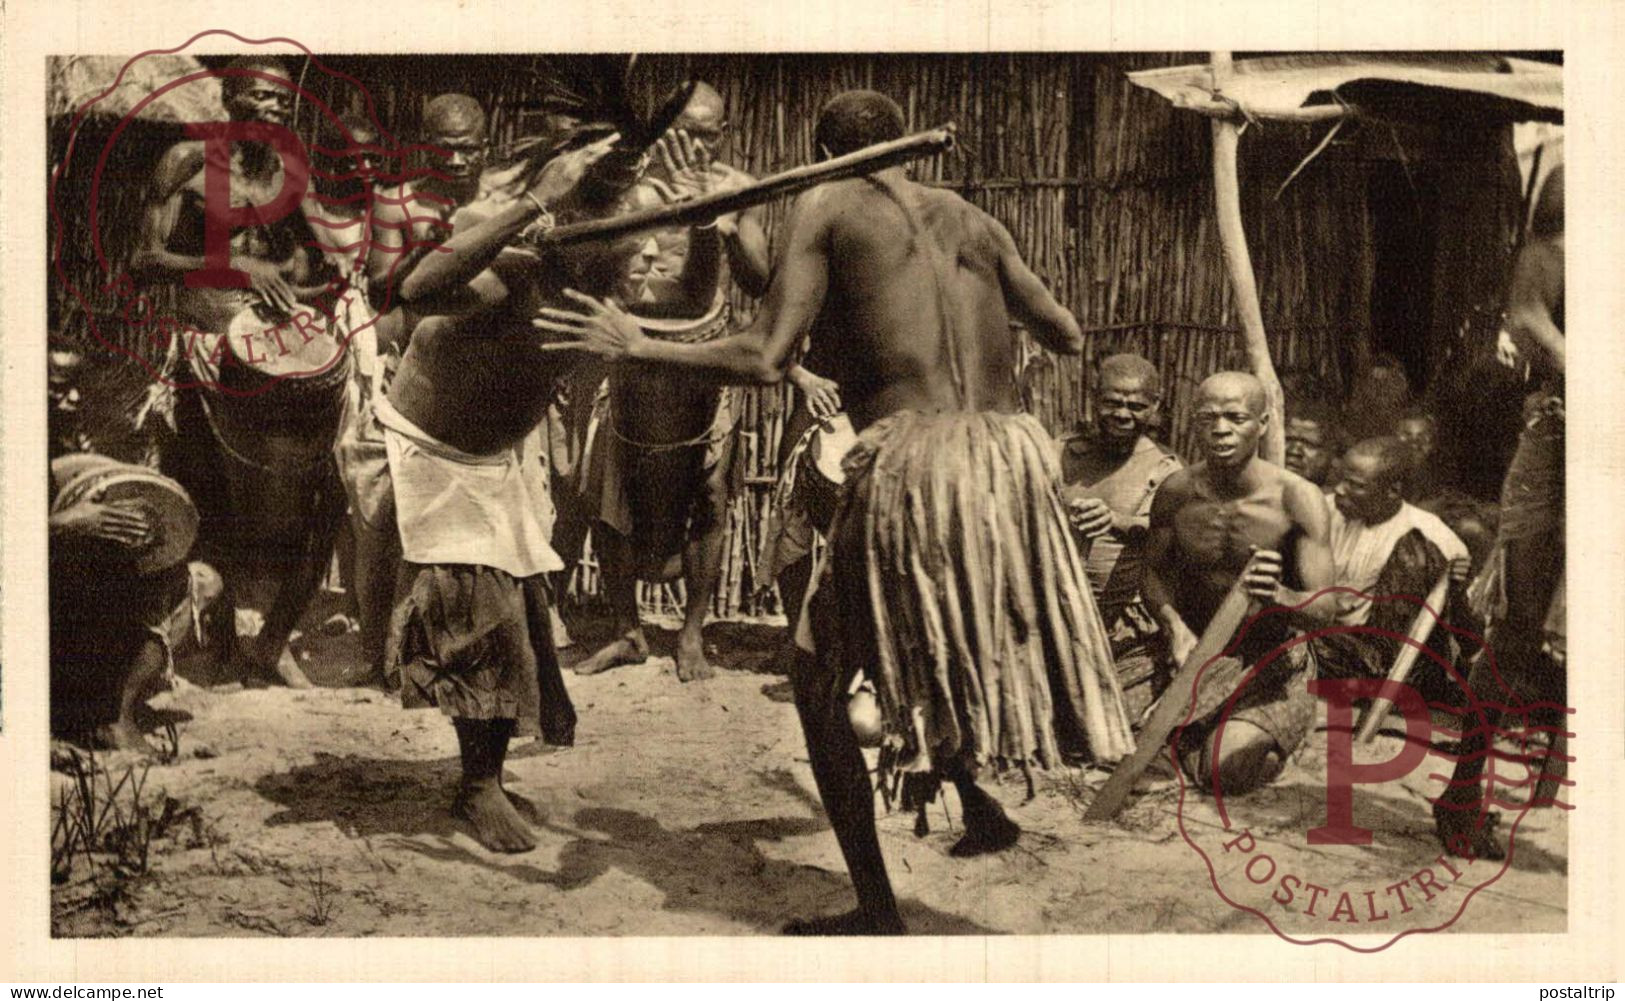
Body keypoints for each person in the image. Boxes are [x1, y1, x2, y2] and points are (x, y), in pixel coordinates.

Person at [537, 89, 1133, 934]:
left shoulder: (825, 201)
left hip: (913, 465)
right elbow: (1066, 332)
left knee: (819, 678)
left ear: (819, 152)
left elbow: (766, 354)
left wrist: (641, 345)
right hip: (1006, 461)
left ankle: (877, 908)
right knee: (920, 632)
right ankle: (980, 806)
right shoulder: (969, 215)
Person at [374, 104, 617, 852]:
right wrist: (533, 205)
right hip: (440, 450)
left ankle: (486, 771)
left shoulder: (602, 252)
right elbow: (416, 289)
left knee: (513, 616)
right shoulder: (511, 246)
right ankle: (476, 784)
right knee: (479, 616)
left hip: (500, 454)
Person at [137, 56, 347, 689]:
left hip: (277, 354)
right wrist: (237, 270)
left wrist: (317, 276)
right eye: (260, 98)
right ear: (229, 101)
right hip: (206, 347)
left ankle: (272, 643)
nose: (275, 112)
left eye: (284, 103)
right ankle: (221, 646)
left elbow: (325, 258)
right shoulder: (188, 163)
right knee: (208, 506)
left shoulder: (291, 173)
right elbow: (143, 258)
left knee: (328, 501)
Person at [572, 82, 772, 683]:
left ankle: (691, 633)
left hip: (702, 351)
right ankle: (628, 630)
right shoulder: (621, 187)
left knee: (709, 493)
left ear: (724, 134)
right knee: (608, 490)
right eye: (683, 131)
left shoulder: (737, 189)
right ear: (661, 131)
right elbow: (584, 265)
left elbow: (760, 280)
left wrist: (714, 222)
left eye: (708, 133)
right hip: (624, 344)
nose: (695, 145)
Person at [1435, 164, 1566, 861]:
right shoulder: (1579, 187)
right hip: (1566, 436)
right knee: (1517, 626)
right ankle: (1462, 790)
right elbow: (1526, 311)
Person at [1142, 371, 1336, 798]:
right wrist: (1174, 627)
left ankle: (1243, 737)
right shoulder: (1176, 492)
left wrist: (1281, 596)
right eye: (1208, 417)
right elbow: (1153, 574)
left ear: (1262, 423)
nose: (1221, 430)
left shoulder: (1296, 498)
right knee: (1099, 735)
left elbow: (1327, 608)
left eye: (1236, 417)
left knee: (1223, 773)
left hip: (1270, 660)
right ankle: (1189, 731)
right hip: (1191, 652)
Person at [48, 343, 187, 753]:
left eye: (75, 387)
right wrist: (69, 523)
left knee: (198, 582)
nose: (72, 398)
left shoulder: (72, 434)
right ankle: (92, 716)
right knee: (98, 564)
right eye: (57, 389)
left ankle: (110, 710)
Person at [1057, 352, 1182, 723]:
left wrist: (1117, 521)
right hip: (1050, 612)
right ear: (1094, 398)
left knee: (1101, 720)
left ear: (1155, 406)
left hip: (1116, 626)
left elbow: (1171, 541)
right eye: (1112, 402)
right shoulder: (1061, 452)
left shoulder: (1166, 471)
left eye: (1137, 406)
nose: (1123, 414)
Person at [1312, 438, 1471, 695]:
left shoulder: (1433, 538)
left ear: (1393, 490)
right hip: (1327, 638)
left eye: (1356, 485)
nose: (1340, 490)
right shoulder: (1321, 509)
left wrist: (1457, 589)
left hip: (1382, 656)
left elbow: (1467, 631)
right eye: (1341, 479)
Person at [1282, 397, 1342, 491]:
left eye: (1309, 444)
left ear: (1331, 453)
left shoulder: (1335, 503)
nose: (1294, 451)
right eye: (1287, 439)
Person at [1393, 406, 1448, 504]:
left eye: (1422, 436)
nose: (1415, 443)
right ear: (1395, 437)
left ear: (1433, 441)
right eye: (1407, 435)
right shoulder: (1384, 478)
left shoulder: (1444, 480)